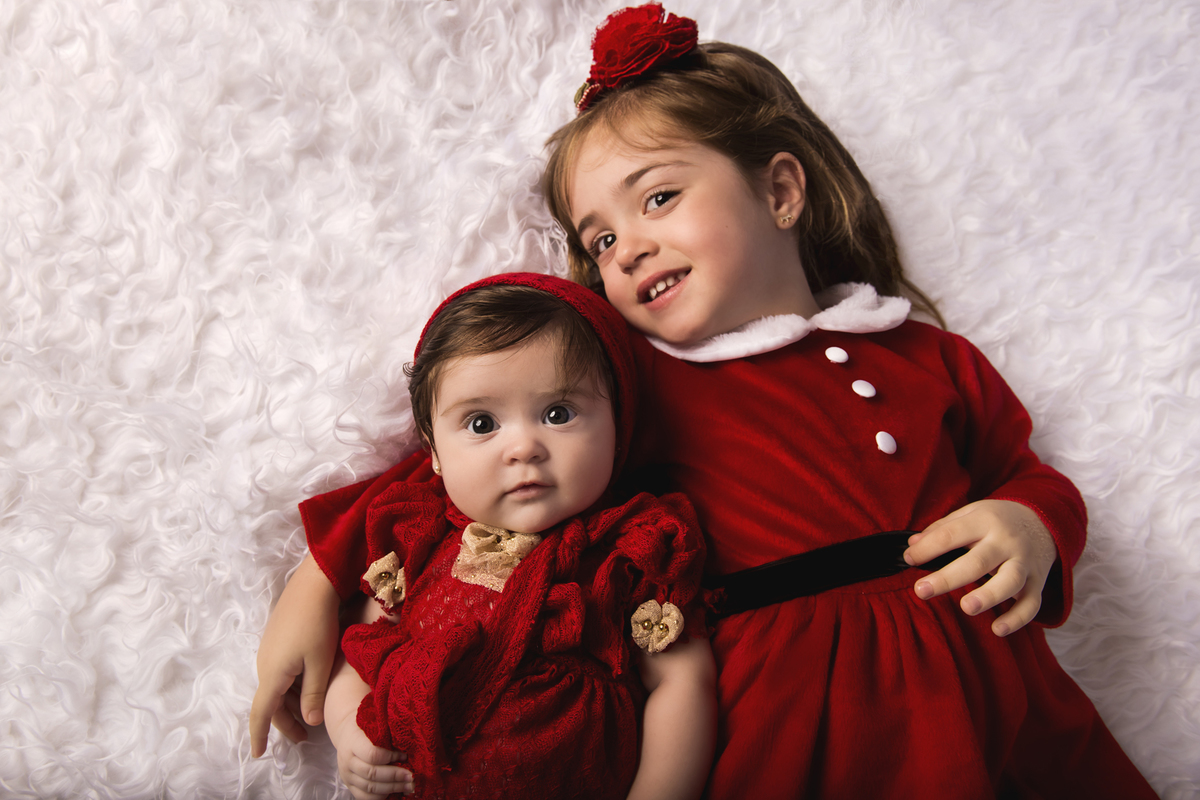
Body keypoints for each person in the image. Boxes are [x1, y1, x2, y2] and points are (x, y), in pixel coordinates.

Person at [250, 4, 1157, 798]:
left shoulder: (928, 354)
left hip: (990, 680)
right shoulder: (634, 386)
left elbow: (1028, 477)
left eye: (660, 197)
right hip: (793, 703)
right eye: (599, 237)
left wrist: (1030, 528)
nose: (628, 248)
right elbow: (465, 463)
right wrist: (316, 585)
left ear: (780, 188)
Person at [312, 273, 714, 800]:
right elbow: (364, 651)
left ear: (617, 426)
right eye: (481, 424)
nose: (523, 447)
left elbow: (683, 684)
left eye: (558, 413)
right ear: (433, 453)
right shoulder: (421, 545)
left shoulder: (628, 553)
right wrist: (347, 731)